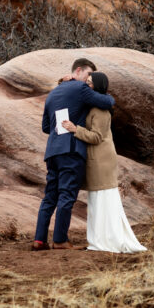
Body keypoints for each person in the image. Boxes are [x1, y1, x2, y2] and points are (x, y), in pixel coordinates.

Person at [32, 58, 115, 251]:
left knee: (49, 197)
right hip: (71, 149)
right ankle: (60, 240)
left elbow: (46, 127)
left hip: (52, 151)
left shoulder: (52, 94)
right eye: (88, 76)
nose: (88, 82)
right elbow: (107, 101)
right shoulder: (79, 88)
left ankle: (39, 240)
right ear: (79, 71)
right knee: (67, 195)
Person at [62, 71, 146, 254]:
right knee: (97, 201)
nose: (87, 85)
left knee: (103, 200)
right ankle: (100, 238)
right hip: (96, 159)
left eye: (91, 83)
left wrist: (75, 129)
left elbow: (97, 137)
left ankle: (108, 240)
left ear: (98, 86)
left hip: (101, 160)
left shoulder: (100, 110)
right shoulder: (94, 106)